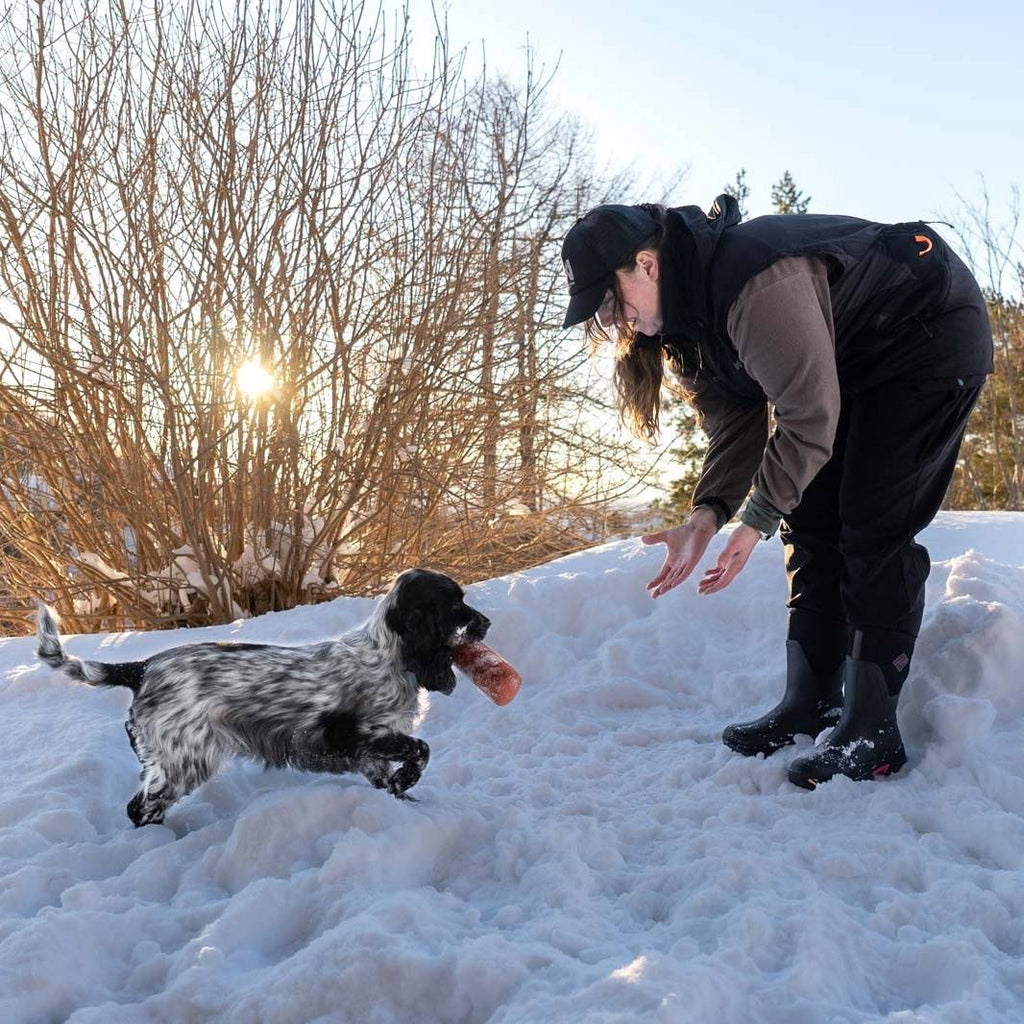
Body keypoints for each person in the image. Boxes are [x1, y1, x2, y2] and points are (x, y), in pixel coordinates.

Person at [560, 196, 993, 789]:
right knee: (810, 518)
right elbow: (736, 427)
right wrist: (707, 516)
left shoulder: (755, 282)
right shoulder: (688, 330)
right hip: (853, 366)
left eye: (611, 302)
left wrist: (755, 518)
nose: (615, 323)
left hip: (927, 336)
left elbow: (809, 416)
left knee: (872, 522)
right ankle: (810, 702)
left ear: (647, 263)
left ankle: (872, 732)